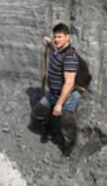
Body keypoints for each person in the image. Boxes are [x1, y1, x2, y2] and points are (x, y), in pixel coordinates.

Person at [31, 23, 80, 155]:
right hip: (52, 94)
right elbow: (55, 54)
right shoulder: (58, 51)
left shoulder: (70, 57)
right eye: (55, 37)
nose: (56, 39)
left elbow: (69, 83)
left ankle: (68, 150)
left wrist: (59, 104)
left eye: (60, 37)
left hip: (67, 97)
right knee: (38, 113)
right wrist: (49, 45)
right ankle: (49, 125)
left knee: (67, 127)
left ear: (67, 37)